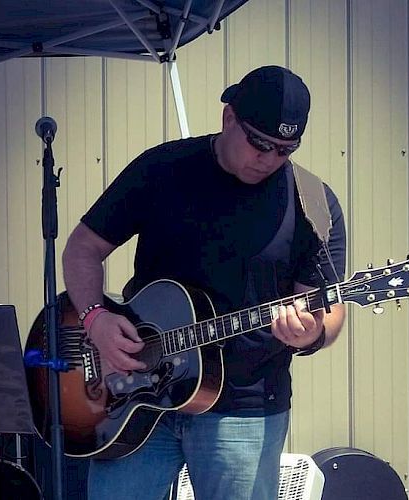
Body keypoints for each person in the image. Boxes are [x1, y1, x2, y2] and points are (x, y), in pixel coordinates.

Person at [62, 65, 346, 500]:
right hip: (135, 395)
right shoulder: (162, 169)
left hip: (245, 409)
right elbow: (82, 248)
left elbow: (327, 309)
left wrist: (311, 333)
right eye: (259, 143)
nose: (268, 159)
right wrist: (96, 319)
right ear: (228, 118)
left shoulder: (314, 202)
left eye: (285, 150)